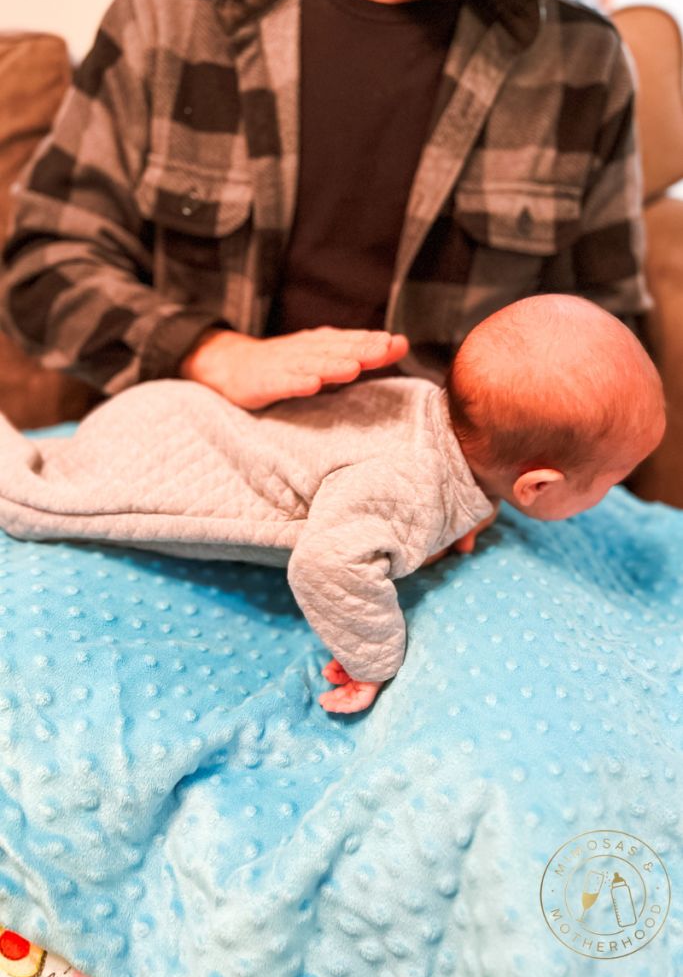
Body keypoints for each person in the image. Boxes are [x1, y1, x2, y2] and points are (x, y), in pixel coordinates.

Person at [0, 0, 647, 410]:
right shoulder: (164, 20)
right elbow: (42, 265)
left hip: (450, 485)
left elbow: (606, 333)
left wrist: (488, 467)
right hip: (203, 443)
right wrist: (210, 354)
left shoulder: (584, 60)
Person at [0, 296, 665, 712]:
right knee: (34, 498)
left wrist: (475, 510)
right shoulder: (409, 486)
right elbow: (325, 564)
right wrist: (376, 657)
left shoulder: (427, 407)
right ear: (536, 487)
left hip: (178, 408)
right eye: (611, 478)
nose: (611, 493)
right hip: (163, 452)